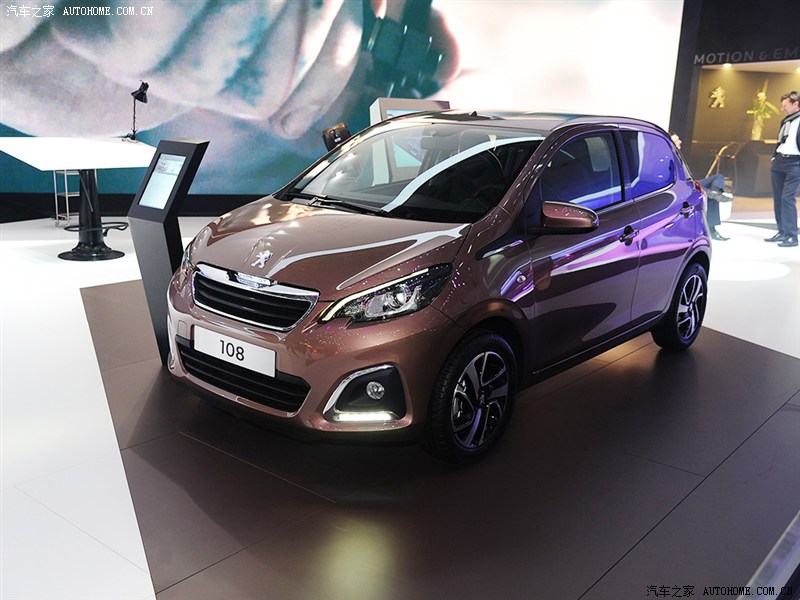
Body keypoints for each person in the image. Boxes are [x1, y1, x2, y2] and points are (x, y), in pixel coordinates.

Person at [670, 133, 730, 241]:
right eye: (676, 140)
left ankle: (715, 192)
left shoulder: (678, 155)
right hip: (681, 185)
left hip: (691, 182)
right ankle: (712, 230)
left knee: (718, 177)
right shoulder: (669, 157)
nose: (680, 141)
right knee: (710, 196)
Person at [767, 90, 800, 247]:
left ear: (796, 104)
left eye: (785, 105)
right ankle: (781, 231)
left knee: (787, 198)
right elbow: (780, 141)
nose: (782, 109)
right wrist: (775, 157)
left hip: (795, 163)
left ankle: (792, 235)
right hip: (779, 161)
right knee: (778, 198)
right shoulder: (786, 121)